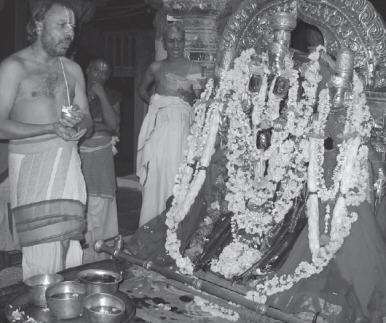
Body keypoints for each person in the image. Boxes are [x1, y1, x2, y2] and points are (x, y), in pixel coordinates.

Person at [0, 0, 92, 279]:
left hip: (68, 163)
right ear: (39, 25)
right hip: (32, 165)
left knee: (68, 242)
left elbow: (88, 119)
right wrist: (50, 129)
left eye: (73, 26)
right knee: (42, 245)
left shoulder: (73, 70)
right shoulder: (14, 67)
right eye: (61, 25)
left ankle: (67, 301)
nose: (69, 33)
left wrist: (79, 127)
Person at [136, 23, 204, 227]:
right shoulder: (156, 67)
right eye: (171, 40)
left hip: (181, 130)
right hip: (160, 130)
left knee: (177, 175)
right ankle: (149, 226)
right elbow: (142, 90)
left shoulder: (194, 68)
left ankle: (174, 229)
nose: (175, 44)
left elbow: (201, 102)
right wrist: (157, 106)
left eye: (179, 40)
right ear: (164, 43)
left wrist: (189, 96)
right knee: (155, 174)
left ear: (184, 42)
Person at [80, 58, 120, 263]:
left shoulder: (111, 95)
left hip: (102, 154)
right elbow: (78, 126)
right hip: (80, 154)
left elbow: (112, 125)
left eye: (105, 73)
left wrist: (102, 94)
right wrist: (97, 126)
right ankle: (82, 247)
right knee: (82, 198)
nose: (100, 75)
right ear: (88, 69)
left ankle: (98, 248)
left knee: (101, 200)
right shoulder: (76, 91)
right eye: (96, 70)